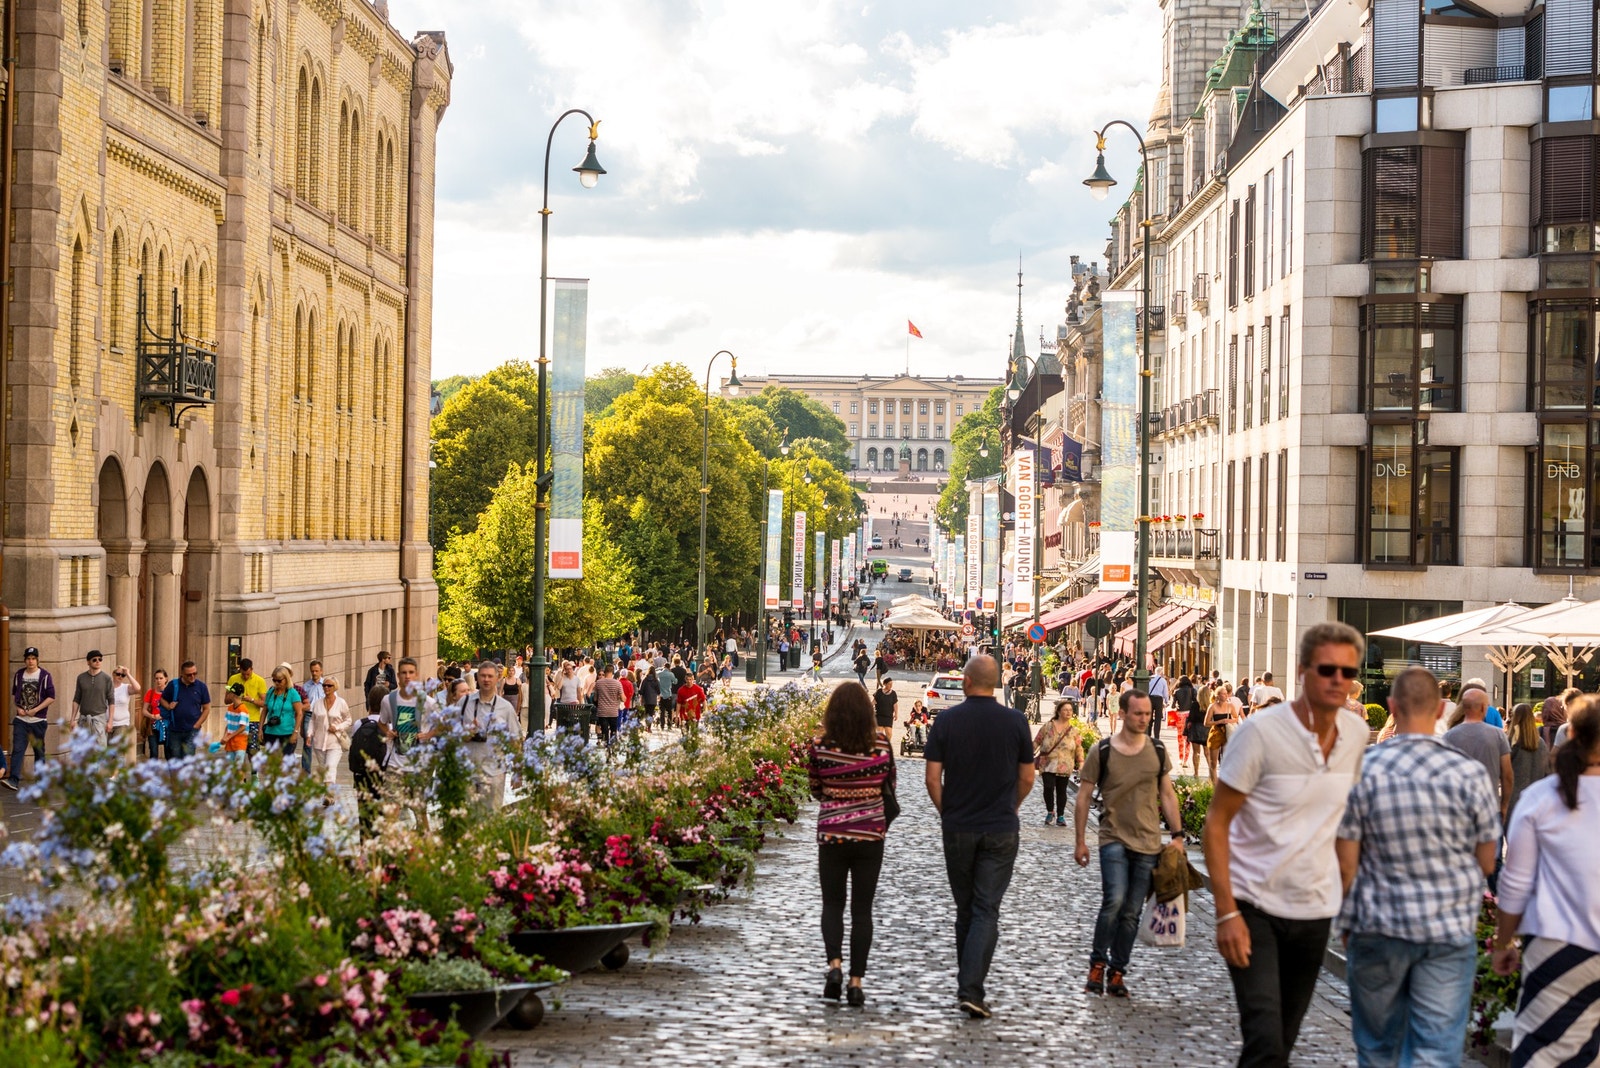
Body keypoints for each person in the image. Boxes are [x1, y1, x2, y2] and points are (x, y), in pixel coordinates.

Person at [1202, 622, 1370, 1068]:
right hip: (1254, 906)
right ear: (1302, 671)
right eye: (1327, 669)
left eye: (1347, 671)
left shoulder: (1356, 736)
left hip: (1315, 912)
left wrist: (1350, 904)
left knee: (1283, 1040)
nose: (1338, 679)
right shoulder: (1261, 733)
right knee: (1264, 1042)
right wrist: (1227, 912)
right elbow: (1216, 824)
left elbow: (1345, 827)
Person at [1335, 666, 1499, 1067]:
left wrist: (1344, 921)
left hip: (1377, 925)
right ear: (1443, 707)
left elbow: (1344, 860)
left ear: (1391, 706)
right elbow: (1488, 858)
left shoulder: (1363, 768)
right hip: (1446, 930)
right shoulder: (1469, 773)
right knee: (1436, 1052)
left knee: (1376, 1049)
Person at [923, 654, 1035, 1019]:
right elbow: (1028, 778)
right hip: (1001, 827)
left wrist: (948, 813)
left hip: (959, 827)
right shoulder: (1017, 722)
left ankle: (968, 986)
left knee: (966, 908)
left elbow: (931, 779)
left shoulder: (947, 721)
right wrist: (1013, 806)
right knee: (986, 909)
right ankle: (971, 988)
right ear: (996, 683)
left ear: (967, 683)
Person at [1492, 692, 1600, 1064]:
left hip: (1561, 945)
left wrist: (1504, 941)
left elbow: (1516, 883)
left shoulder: (1542, 798)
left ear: (1572, 735)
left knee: (1543, 1056)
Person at [1076, 689, 1184, 997]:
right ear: (1122, 713)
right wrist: (1080, 841)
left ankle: (1118, 971)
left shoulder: (1158, 751)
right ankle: (1097, 965)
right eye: (1138, 713)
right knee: (1114, 900)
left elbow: (1167, 795)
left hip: (1149, 842)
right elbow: (1083, 797)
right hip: (1112, 837)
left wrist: (1177, 836)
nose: (1143, 719)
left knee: (1132, 911)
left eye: (1147, 714)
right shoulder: (1103, 750)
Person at [808, 684, 896, 1007]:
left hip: (832, 832)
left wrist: (836, 799)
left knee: (832, 904)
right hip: (870, 834)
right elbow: (890, 785)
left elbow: (815, 788)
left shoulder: (821, 745)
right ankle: (856, 982)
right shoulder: (881, 744)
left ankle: (834, 966)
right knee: (862, 910)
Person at [1442, 687, 1514, 828]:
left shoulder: (1449, 736)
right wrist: (1504, 805)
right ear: (1483, 707)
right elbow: (1507, 775)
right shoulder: (1498, 735)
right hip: (1490, 808)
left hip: (1459, 811)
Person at [454, 661, 518, 808]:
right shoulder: (464, 703)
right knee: (467, 820)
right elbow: (451, 732)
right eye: (483, 676)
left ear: (497, 678)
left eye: (490, 676)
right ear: (477, 678)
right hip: (467, 771)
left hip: (494, 773)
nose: (486, 679)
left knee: (490, 822)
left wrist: (518, 770)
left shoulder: (505, 707)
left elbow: (515, 739)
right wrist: (464, 734)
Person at [6, 647, 55, 787]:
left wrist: (36, 710)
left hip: (38, 720)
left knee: (39, 751)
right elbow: (15, 694)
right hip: (21, 720)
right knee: (18, 749)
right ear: (25, 660)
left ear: (38, 660)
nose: (31, 661)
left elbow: (51, 697)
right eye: (28, 658)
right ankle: (13, 780)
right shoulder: (19, 674)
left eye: (33, 658)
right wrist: (18, 708)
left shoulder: (45, 675)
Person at [1034, 701, 1083, 827]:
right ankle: (1050, 811)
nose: (1068, 712)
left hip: (1065, 764)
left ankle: (1060, 816)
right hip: (1048, 763)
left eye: (1070, 710)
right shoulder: (1048, 726)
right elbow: (1037, 741)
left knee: (1062, 790)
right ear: (1059, 711)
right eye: (1065, 710)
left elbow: (1078, 747)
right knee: (1048, 787)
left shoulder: (1074, 731)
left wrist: (1081, 762)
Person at [1505, 700, 1550, 822]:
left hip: (1514, 800)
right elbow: (1547, 772)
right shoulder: (1540, 743)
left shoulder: (1511, 742)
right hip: (1537, 799)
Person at [160, 661, 211, 759]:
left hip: (192, 730)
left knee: (188, 758)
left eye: (194, 673)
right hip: (175, 729)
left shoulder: (201, 687)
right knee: (175, 758)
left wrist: (197, 725)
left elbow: (206, 708)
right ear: (182, 674)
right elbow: (162, 699)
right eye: (189, 675)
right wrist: (168, 706)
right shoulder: (173, 685)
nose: (192, 676)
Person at [307, 675, 351, 787]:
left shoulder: (341, 703)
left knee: (330, 767)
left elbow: (348, 720)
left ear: (335, 687)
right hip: (319, 742)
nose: (326, 687)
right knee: (324, 768)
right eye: (324, 685)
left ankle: (329, 795)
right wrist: (309, 735)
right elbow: (312, 720)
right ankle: (328, 793)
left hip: (335, 742)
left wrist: (337, 727)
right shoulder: (317, 703)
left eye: (329, 685)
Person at [71, 650, 115, 744]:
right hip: (84, 720)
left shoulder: (107, 679)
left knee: (100, 752)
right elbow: (77, 698)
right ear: (88, 662)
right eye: (94, 660)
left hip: (99, 719)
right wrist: (72, 719)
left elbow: (111, 701)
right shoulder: (81, 678)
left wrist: (110, 721)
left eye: (100, 659)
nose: (98, 661)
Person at [226, 658, 269, 755]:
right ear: (239, 670)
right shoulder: (233, 679)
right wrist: (235, 696)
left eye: (248, 674)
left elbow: (265, 703)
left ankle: (254, 770)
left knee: (252, 750)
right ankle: (238, 769)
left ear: (252, 669)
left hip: (252, 720)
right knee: (236, 749)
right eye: (243, 674)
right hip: (236, 719)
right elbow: (226, 700)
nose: (245, 676)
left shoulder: (259, 680)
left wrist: (252, 700)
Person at [1204, 679, 1241, 786]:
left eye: (1226, 694)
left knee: (1226, 760)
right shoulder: (1212, 706)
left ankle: (1225, 783)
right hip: (1215, 732)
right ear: (1217, 695)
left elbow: (1236, 718)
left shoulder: (1230, 705)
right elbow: (1206, 723)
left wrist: (1229, 721)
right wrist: (1219, 721)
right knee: (1213, 762)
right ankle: (1214, 784)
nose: (1225, 696)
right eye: (1223, 694)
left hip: (1227, 732)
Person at [262, 667, 304, 756]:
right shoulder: (271, 692)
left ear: (286, 679)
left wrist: (295, 733)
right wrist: (260, 730)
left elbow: (299, 713)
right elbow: (264, 710)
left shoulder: (293, 693)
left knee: (285, 764)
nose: (276, 683)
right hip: (271, 732)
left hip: (287, 733)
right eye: (274, 680)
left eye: (279, 681)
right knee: (272, 764)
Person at [108, 666, 140, 762]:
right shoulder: (107, 687)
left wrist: (128, 674)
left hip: (121, 724)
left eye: (123, 675)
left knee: (119, 751)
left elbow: (138, 688)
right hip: (107, 723)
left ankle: (118, 775)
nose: (120, 676)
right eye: (118, 674)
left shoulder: (126, 687)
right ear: (113, 674)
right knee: (108, 752)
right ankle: (110, 774)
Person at [592, 664, 625, 747]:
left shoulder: (598, 683)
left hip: (602, 711)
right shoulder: (618, 683)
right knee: (613, 730)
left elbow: (595, 699)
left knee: (605, 731)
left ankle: (606, 746)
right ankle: (612, 747)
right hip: (613, 711)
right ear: (612, 672)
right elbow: (623, 699)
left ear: (605, 671)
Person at [140, 668, 169, 763]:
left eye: (161, 678)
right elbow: (144, 710)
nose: (158, 681)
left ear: (166, 679)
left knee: (169, 752)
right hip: (153, 726)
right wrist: (152, 716)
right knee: (153, 752)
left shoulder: (170, 693)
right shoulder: (150, 692)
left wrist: (163, 715)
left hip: (167, 726)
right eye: (156, 678)